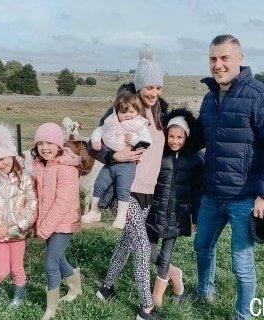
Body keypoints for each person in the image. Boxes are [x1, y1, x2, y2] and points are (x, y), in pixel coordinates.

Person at [193, 34, 264, 320]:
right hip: (212, 194)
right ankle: (204, 291)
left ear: (240, 59)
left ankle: (243, 315)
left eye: (225, 58)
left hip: (245, 197)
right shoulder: (210, 98)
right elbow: (197, 137)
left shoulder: (263, 97)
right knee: (202, 246)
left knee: (241, 262)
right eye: (213, 59)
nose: (218, 65)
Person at [90, 49, 167, 320]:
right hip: (125, 190)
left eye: (158, 86)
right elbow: (94, 145)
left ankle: (107, 288)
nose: (153, 92)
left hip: (148, 190)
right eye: (148, 86)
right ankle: (146, 308)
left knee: (128, 242)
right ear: (138, 85)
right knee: (143, 246)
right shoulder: (123, 108)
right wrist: (114, 155)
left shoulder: (160, 113)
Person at [146, 107, 204, 307]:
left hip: (177, 215)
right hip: (154, 212)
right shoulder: (159, 156)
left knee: (165, 256)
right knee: (150, 253)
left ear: (187, 137)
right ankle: (175, 273)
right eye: (171, 136)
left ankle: (157, 297)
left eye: (180, 137)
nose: (175, 141)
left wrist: (195, 217)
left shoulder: (196, 161)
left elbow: (198, 192)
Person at [0, 123, 38, 310]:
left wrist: (19, 226)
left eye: (2, 159)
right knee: (2, 270)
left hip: (18, 232)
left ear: (11, 155)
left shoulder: (25, 177)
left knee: (17, 269)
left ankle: (19, 296)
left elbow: (32, 203)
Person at [32, 122, 83, 320]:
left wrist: (44, 228)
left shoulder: (66, 168)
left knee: (51, 263)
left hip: (63, 222)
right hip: (48, 221)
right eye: (40, 143)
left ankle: (51, 309)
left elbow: (62, 203)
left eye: (50, 143)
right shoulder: (40, 166)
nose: (45, 148)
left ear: (59, 145)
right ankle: (75, 287)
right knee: (59, 258)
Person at [82, 91, 152, 229]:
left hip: (127, 165)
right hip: (110, 163)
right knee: (99, 184)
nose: (128, 115)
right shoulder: (110, 122)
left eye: (132, 112)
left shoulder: (139, 125)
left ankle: (121, 217)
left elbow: (147, 142)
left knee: (122, 189)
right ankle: (94, 211)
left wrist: (133, 140)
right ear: (116, 112)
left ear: (137, 111)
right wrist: (96, 140)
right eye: (124, 112)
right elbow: (98, 131)